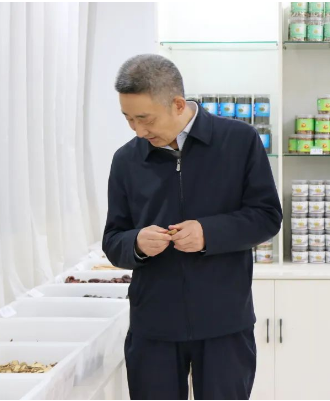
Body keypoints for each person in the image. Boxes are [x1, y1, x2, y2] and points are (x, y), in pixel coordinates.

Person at [102, 54, 282, 400]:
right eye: (128, 119)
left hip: (224, 323)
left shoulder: (239, 141)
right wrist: (136, 243)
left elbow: (267, 216)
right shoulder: (126, 160)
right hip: (153, 326)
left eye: (145, 118)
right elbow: (113, 240)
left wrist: (208, 233)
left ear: (178, 104)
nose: (138, 131)